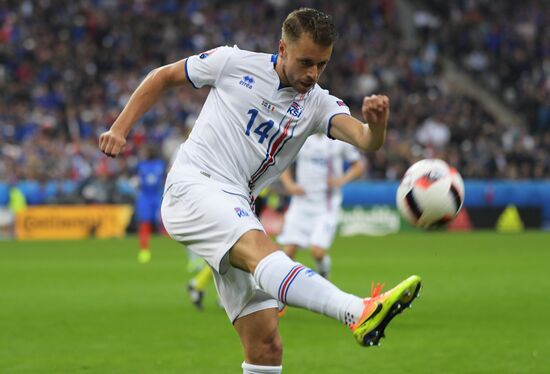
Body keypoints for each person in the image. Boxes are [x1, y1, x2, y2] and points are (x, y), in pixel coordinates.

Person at [99, 8, 421, 373]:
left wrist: (377, 127)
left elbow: (364, 139)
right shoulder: (232, 63)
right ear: (282, 49)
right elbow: (163, 76)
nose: (313, 74)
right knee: (263, 251)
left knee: (266, 344)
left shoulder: (317, 103)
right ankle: (356, 310)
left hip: (237, 203)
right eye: (306, 62)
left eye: (322, 64)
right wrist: (119, 128)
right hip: (194, 185)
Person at [278, 133, 365, 279]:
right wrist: (290, 185)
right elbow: (281, 162)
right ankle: (284, 293)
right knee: (287, 254)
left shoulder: (339, 140)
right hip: (301, 203)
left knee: (317, 252)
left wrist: (341, 180)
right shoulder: (301, 135)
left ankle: (323, 272)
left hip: (326, 205)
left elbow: (358, 167)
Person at [135, 144, 167, 263]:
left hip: (152, 196)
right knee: (147, 223)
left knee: (158, 223)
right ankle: (145, 250)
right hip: (149, 196)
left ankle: (146, 250)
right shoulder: (156, 165)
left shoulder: (145, 165)